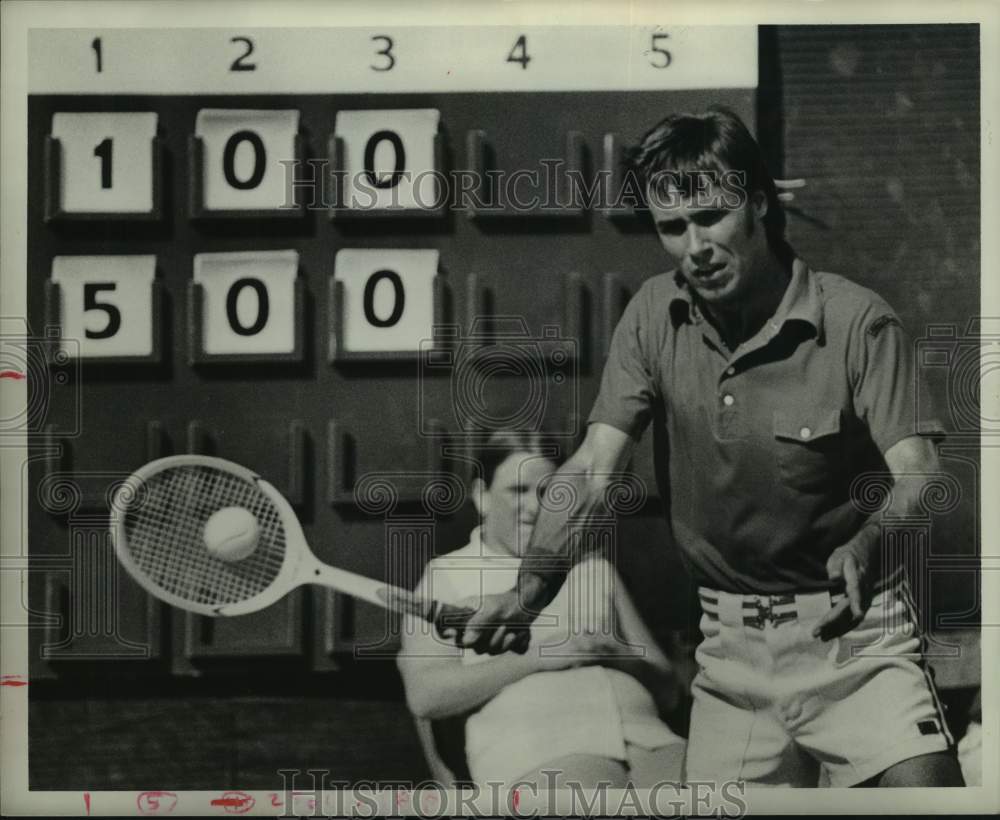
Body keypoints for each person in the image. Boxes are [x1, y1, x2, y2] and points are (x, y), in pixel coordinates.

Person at [451, 108, 965, 788]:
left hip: (859, 642)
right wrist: (529, 594)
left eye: (712, 216)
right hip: (729, 657)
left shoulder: (858, 321)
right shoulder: (650, 318)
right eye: (673, 228)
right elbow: (593, 470)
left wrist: (869, 546)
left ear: (757, 201)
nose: (696, 246)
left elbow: (919, 478)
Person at [397, 431, 686, 789]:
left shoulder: (591, 569)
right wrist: (543, 656)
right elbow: (426, 694)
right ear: (482, 497)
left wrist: (617, 655)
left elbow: (669, 688)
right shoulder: (448, 576)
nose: (535, 508)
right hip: (539, 746)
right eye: (517, 490)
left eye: (549, 492)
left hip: (648, 738)